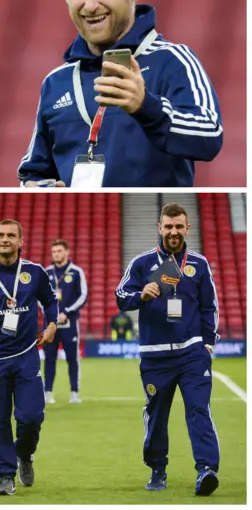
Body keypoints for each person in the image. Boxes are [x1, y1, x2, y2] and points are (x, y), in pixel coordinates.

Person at [18, 0, 222, 188]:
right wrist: (40, 188)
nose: (90, 5)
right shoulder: (56, 82)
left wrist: (145, 106)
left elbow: (210, 135)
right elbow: (32, 172)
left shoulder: (173, 61)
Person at [116, 202, 220, 496]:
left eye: (179, 226)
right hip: (155, 356)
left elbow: (209, 306)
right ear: (159, 228)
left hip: (192, 354)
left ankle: (206, 470)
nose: (173, 232)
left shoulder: (198, 264)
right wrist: (141, 294)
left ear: (188, 228)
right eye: (168, 226)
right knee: (157, 413)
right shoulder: (141, 263)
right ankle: (158, 469)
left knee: (199, 409)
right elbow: (121, 296)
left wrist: (208, 343)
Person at [0, 220, 58, 496]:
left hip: (26, 356)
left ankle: (25, 455)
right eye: (0, 235)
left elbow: (51, 301)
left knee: (31, 416)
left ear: (21, 241)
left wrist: (52, 324)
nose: (5, 239)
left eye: (10, 235)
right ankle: (5, 475)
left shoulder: (35, 273)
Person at [43, 239, 88, 404]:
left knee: (72, 358)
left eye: (59, 251)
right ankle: (47, 392)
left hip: (69, 323)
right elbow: (40, 297)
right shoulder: (46, 272)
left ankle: (74, 392)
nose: (56, 254)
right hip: (50, 324)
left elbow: (83, 295)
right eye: (54, 251)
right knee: (49, 358)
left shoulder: (76, 272)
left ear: (67, 252)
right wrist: (51, 314)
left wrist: (67, 312)